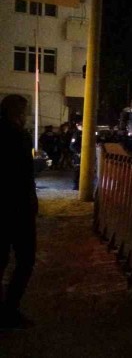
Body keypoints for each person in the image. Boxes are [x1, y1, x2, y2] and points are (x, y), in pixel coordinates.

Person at [0, 94, 37, 328]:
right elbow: (24, 175)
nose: (26, 116)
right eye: (24, 112)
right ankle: (9, 310)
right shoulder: (19, 137)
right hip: (18, 208)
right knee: (26, 259)